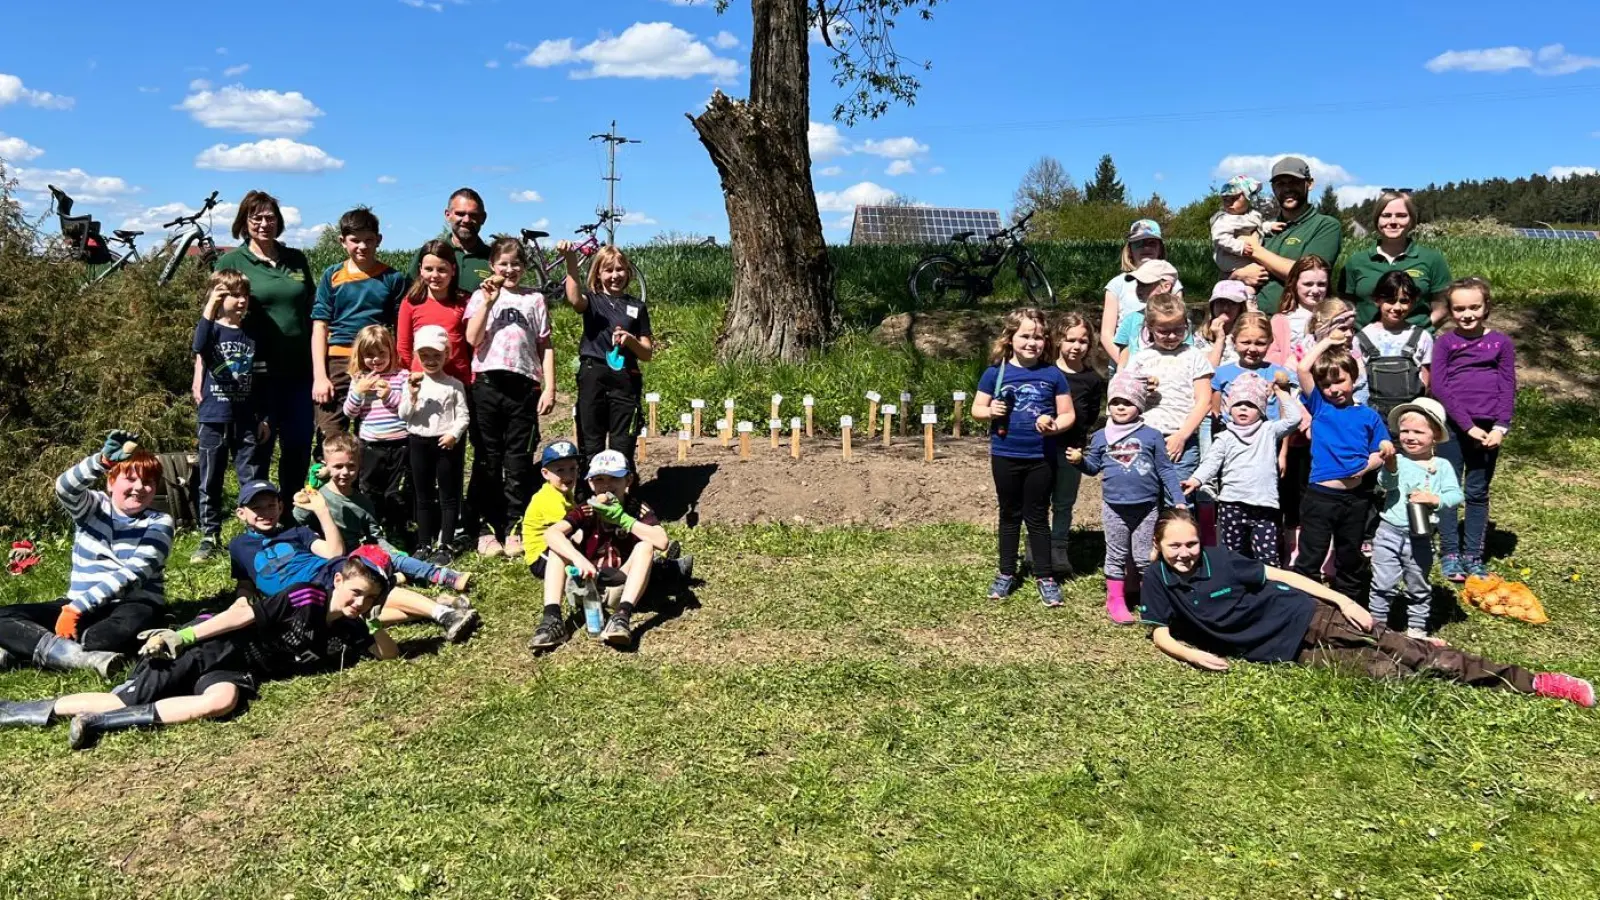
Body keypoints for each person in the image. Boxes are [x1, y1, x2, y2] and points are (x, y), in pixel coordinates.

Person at [1137, 509, 1594, 709]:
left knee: (1426, 658)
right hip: (1288, 650)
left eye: (1191, 542)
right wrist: (1193, 655)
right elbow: (1159, 632)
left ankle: (1538, 682)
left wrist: (1339, 598)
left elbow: (1283, 576)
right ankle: (1413, 645)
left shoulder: (1221, 559)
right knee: (1387, 672)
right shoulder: (1158, 581)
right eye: (1175, 545)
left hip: (1309, 614)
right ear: (1158, 547)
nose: (1185, 552)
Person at [0, 546, 404, 749]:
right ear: (338, 581)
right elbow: (242, 614)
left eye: (369, 599)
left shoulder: (352, 631)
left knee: (222, 701)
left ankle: (98, 725)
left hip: (237, 668)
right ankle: (20, 711)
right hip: (210, 644)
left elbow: (390, 656)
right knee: (117, 699)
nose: (359, 604)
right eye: (356, 594)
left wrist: (370, 618)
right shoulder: (306, 597)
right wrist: (183, 637)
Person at [0, 432, 173, 677]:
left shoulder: (160, 522)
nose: (139, 488)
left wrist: (75, 610)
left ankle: (27, 649)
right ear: (111, 482)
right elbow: (64, 487)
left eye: (148, 482)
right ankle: (72, 655)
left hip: (131, 604)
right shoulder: (91, 507)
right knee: (3, 616)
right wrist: (101, 461)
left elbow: (134, 573)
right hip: (77, 604)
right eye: (130, 479)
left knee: (104, 637)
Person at [214, 190, 317, 493]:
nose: (263, 223)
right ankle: (258, 517)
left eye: (270, 217)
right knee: (259, 446)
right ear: (244, 222)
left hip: (298, 370)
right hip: (256, 372)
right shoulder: (232, 261)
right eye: (255, 217)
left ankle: (292, 511)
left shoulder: (296, 259)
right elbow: (216, 316)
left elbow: (310, 308)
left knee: (298, 444)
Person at [972, 308, 1075, 606]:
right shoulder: (996, 372)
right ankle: (1006, 572)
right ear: (1010, 338)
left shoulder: (1052, 374)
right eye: (1025, 336)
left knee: (1038, 516)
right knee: (1009, 513)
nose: (1032, 342)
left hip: (1040, 456)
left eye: (1038, 337)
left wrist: (1054, 425)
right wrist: (990, 411)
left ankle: (1045, 575)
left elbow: (1068, 413)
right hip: (1005, 453)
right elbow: (977, 409)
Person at [1065, 371, 1186, 624]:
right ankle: (1116, 601)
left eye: (1128, 402)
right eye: (1115, 402)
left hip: (1146, 507)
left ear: (1140, 405)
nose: (1121, 407)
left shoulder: (1151, 435)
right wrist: (1079, 462)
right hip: (1114, 507)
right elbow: (1093, 468)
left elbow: (1165, 469)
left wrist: (1178, 498)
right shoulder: (1100, 436)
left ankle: (1149, 599)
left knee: (1144, 557)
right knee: (1116, 554)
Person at [464, 236, 556, 558]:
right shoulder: (480, 297)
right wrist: (489, 301)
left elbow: (545, 346)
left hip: (524, 387)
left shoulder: (535, 299)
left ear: (524, 267)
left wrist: (550, 387)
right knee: (488, 458)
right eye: (503, 263)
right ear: (492, 266)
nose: (509, 269)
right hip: (488, 385)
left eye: (516, 263)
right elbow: (472, 339)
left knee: (518, 461)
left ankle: (514, 525)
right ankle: (487, 527)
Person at [295, 433, 472, 595]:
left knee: (392, 559)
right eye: (338, 466)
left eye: (351, 466)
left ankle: (442, 575)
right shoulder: (319, 494)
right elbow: (298, 521)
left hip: (358, 553)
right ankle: (395, 579)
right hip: (328, 557)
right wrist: (304, 502)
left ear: (359, 465)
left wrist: (391, 553)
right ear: (326, 466)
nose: (345, 473)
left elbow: (375, 536)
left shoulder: (362, 502)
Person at [1293, 327, 1394, 605]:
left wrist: (1366, 466)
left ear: (1354, 378)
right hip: (1320, 497)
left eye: (1340, 381)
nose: (1333, 389)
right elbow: (1303, 368)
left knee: (1350, 553)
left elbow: (1383, 450)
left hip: (1355, 499)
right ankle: (1306, 605)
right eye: (1326, 385)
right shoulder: (1321, 407)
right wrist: (1327, 341)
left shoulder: (1368, 416)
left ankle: (1350, 604)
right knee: (1312, 552)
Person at [537, 451, 672, 650]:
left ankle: (622, 616)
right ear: (591, 484)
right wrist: (578, 559)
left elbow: (662, 541)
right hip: (587, 583)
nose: (607, 485)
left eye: (614, 478)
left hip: (622, 583)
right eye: (599, 479)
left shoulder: (635, 508)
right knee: (559, 549)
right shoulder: (587, 509)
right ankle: (552, 619)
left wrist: (623, 520)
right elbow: (551, 534)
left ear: (628, 480)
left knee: (645, 546)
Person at [1432, 277, 1515, 582]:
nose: (1467, 314)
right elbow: (1440, 387)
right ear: (1451, 311)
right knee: (1450, 490)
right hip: (1453, 428)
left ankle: (1473, 555)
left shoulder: (1501, 343)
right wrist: (1466, 425)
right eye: (1459, 308)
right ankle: (1451, 553)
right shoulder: (1445, 343)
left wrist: (1501, 427)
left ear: (1486, 307)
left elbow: (1507, 386)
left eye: (1474, 307)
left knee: (1477, 491)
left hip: (1488, 430)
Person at [1181, 372, 1303, 565]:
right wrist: (1196, 479)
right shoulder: (1225, 436)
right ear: (1230, 408)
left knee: (1267, 558)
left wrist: (1281, 392)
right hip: (1232, 504)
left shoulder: (1269, 430)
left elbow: (1294, 419)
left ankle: (1267, 593)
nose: (1243, 408)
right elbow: (1211, 462)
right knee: (1233, 557)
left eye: (1251, 404)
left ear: (1261, 410)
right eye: (1238, 404)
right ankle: (1236, 592)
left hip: (1264, 506)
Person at [311, 207, 409, 442]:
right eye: (355, 240)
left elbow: (401, 327)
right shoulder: (332, 276)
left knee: (376, 434)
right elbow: (320, 327)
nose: (362, 246)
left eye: (369, 240)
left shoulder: (392, 278)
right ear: (342, 241)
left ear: (379, 240)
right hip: (338, 362)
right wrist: (320, 376)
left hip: (377, 364)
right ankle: (328, 477)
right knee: (331, 435)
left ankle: (368, 478)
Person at [191, 269, 266, 563]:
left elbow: (261, 378)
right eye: (232, 295)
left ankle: (256, 532)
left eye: (244, 295)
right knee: (210, 479)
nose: (240, 301)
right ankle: (210, 535)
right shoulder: (211, 332)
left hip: (247, 417)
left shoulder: (253, 334)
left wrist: (265, 417)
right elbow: (199, 345)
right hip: (213, 415)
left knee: (250, 476)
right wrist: (210, 307)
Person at [1371, 399, 1461, 637]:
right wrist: (1389, 466)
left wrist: (1435, 500)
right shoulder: (1397, 460)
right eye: (1405, 431)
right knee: (1383, 582)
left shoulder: (1441, 467)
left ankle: (1417, 628)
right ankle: (1376, 625)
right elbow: (1385, 486)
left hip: (1420, 537)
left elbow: (1456, 495)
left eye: (1418, 432)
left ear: (1435, 436)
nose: (1410, 437)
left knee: (1418, 582)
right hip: (1389, 531)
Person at [560, 241, 652, 469]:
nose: (615, 275)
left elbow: (647, 353)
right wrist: (571, 262)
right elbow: (574, 298)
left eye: (619, 269)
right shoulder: (592, 301)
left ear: (628, 272)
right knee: (591, 441)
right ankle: (589, 497)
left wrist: (630, 340)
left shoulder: (637, 307)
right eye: (608, 270)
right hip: (593, 373)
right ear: (598, 274)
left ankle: (624, 495)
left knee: (623, 442)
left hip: (625, 378)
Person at [1123, 293, 1214, 486]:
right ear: (1150, 328)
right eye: (1164, 331)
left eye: (1178, 329)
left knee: (1178, 498)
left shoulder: (1194, 356)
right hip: (1144, 437)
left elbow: (1204, 401)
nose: (1172, 336)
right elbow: (1124, 394)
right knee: (1146, 496)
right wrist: (1141, 389)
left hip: (1181, 438)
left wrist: (1182, 436)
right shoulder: (1141, 358)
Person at [1233, 157, 1343, 314]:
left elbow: (1309, 274)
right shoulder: (1262, 228)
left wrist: (1255, 250)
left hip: (1297, 326)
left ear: (1309, 184)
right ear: (1273, 188)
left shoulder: (1325, 226)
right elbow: (1230, 265)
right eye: (1280, 184)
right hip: (1252, 327)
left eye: (1294, 182)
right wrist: (1238, 274)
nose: (1287, 189)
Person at [399, 325, 469, 564]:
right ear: (417, 356)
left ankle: (446, 543)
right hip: (418, 441)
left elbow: (463, 416)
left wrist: (454, 434)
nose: (430, 361)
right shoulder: (412, 383)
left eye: (436, 355)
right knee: (423, 494)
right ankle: (423, 542)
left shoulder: (453, 385)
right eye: (425, 356)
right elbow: (404, 414)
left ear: (446, 355)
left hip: (445, 442)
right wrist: (412, 394)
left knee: (449, 494)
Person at [1341, 190, 1453, 329]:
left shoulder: (1432, 260)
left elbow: (1443, 306)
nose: (1393, 222)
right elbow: (1345, 306)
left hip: (1415, 346)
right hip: (1365, 345)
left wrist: (1420, 330)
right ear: (1377, 220)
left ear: (1411, 220)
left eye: (1401, 216)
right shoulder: (1356, 262)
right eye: (1386, 216)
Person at [1048, 311, 1106, 578]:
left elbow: (1091, 416)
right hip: (1040, 448)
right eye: (1070, 340)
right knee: (1037, 501)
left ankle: (1059, 548)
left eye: (1083, 341)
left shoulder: (1093, 380)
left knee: (1064, 502)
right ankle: (1036, 545)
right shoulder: (1046, 373)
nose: (1076, 346)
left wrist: (1082, 447)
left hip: (1071, 449)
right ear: (1059, 340)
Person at [341, 325, 411, 541]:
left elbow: (407, 410)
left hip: (400, 443)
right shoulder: (359, 379)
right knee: (370, 490)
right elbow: (350, 413)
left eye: (382, 353)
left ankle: (397, 529)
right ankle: (372, 530)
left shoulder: (401, 376)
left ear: (391, 351)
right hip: (371, 445)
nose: (376, 359)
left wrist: (389, 395)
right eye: (369, 355)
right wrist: (359, 393)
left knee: (395, 491)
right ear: (360, 356)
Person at [1099, 219, 1184, 363]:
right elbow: (1106, 334)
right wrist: (1126, 365)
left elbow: (1179, 321)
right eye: (1139, 244)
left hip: (1165, 363)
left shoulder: (1173, 283)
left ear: (1160, 249)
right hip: (1126, 362)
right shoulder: (1117, 284)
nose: (1146, 248)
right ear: (1130, 250)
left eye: (1152, 243)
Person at [1356, 271, 1433, 424]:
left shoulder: (1422, 337)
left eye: (1404, 301)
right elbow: (1359, 382)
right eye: (1390, 301)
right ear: (1377, 300)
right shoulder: (1362, 338)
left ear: (1413, 301)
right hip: (1373, 416)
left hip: (1410, 416)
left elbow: (1426, 382)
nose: (1397, 307)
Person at [397, 239, 472, 386]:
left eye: (442, 270)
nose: (435, 275)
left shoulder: (465, 302)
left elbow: (474, 344)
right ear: (420, 269)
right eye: (429, 269)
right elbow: (403, 345)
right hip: (422, 381)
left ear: (453, 270)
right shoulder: (411, 302)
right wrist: (408, 377)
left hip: (458, 381)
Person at [522, 440, 583, 581]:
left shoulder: (564, 493)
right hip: (541, 558)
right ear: (545, 473)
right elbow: (569, 529)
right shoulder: (547, 498)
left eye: (572, 468)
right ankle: (571, 572)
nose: (568, 476)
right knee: (581, 534)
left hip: (552, 551)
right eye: (560, 470)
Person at [413, 188, 493, 293]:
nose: (466, 220)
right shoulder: (429, 253)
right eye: (460, 214)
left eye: (473, 215)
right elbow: (410, 294)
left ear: (483, 218)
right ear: (448, 215)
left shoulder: (495, 258)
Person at [1209, 175, 1284, 275]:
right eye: (1225, 199)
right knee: (1246, 282)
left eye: (1234, 198)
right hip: (1231, 259)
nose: (1229, 203)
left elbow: (1258, 227)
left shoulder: (1252, 214)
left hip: (1249, 257)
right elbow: (1219, 237)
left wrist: (1269, 226)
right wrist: (1239, 246)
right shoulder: (1224, 219)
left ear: (1248, 198)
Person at [1109, 259, 1182, 360]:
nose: (1139, 288)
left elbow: (1186, 351)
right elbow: (1124, 353)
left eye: (1145, 285)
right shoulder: (1131, 319)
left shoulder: (1180, 321)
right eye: (1138, 284)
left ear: (1166, 286)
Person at [1266, 255, 1332, 365]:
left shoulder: (1337, 315)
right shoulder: (1282, 320)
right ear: (1294, 284)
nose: (1315, 290)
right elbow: (1271, 356)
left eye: (1321, 284)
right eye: (1308, 284)